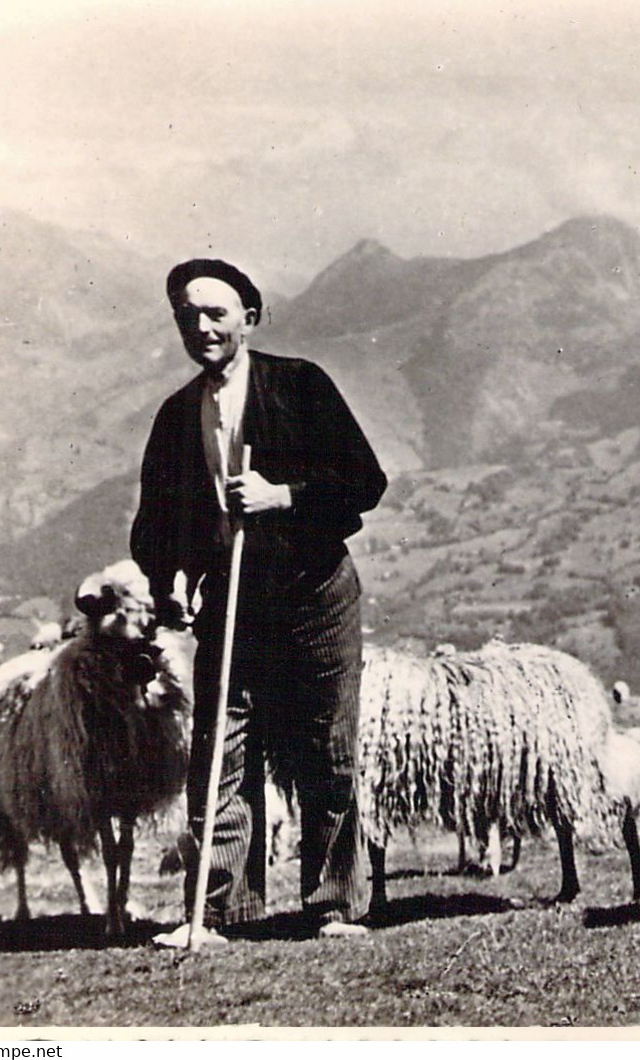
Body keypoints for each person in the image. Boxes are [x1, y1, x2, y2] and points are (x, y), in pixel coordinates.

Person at [131, 258, 387, 943]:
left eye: (216, 313)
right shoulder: (178, 415)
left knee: (325, 745)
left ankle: (333, 906)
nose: (202, 327)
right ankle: (213, 912)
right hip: (233, 602)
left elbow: (364, 480)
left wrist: (284, 497)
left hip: (314, 591)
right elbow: (156, 523)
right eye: (188, 315)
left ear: (250, 317)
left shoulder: (300, 386)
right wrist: (172, 581)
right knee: (221, 744)